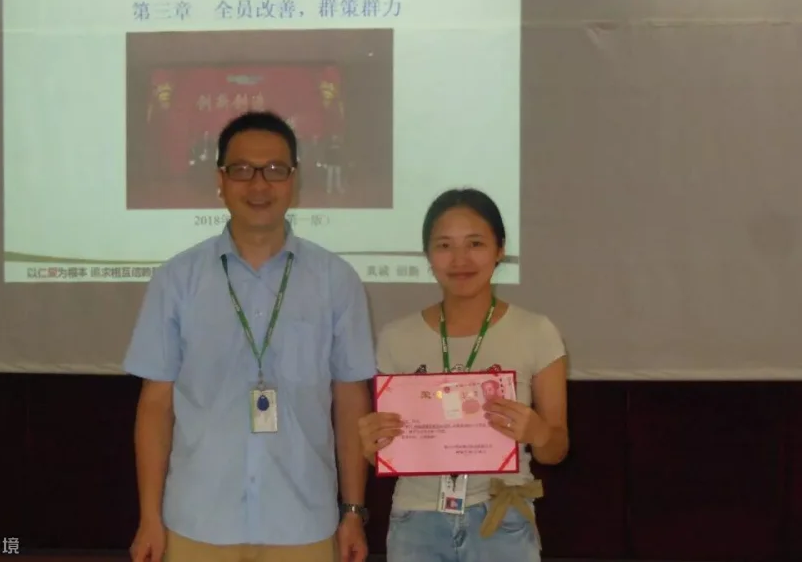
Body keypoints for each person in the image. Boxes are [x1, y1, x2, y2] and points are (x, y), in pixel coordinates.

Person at [124, 111, 376, 562]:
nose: (259, 185)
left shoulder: (336, 280)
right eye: (242, 170)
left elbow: (350, 400)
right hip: (197, 521)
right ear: (220, 180)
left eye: (275, 170)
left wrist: (353, 511)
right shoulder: (176, 279)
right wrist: (149, 517)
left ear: (294, 179)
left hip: (303, 521)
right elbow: (156, 405)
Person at [358, 188, 569, 562]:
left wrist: (537, 432)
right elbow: (388, 453)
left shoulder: (536, 332)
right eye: (444, 246)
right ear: (427, 255)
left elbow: (556, 449)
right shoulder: (396, 337)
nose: (460, 260)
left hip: (502, 517)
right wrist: (374, 445)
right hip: (417, 520)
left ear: (500, 249)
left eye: (475, 243)